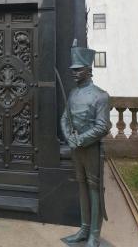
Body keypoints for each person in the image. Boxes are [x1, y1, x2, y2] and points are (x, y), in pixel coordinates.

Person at [61, 40, 111, 247]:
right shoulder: (72, 94)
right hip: (76, 149)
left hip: (91, 150)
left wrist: (81, 139)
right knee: (81, 187)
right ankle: (83, 229)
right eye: (73, 69)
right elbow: (65, 118)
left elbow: (103, 126)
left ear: (88, 70)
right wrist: (69, 137)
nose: (73, 73)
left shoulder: (101, 96)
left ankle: (94, 235)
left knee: (94, 190)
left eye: (78, 69)